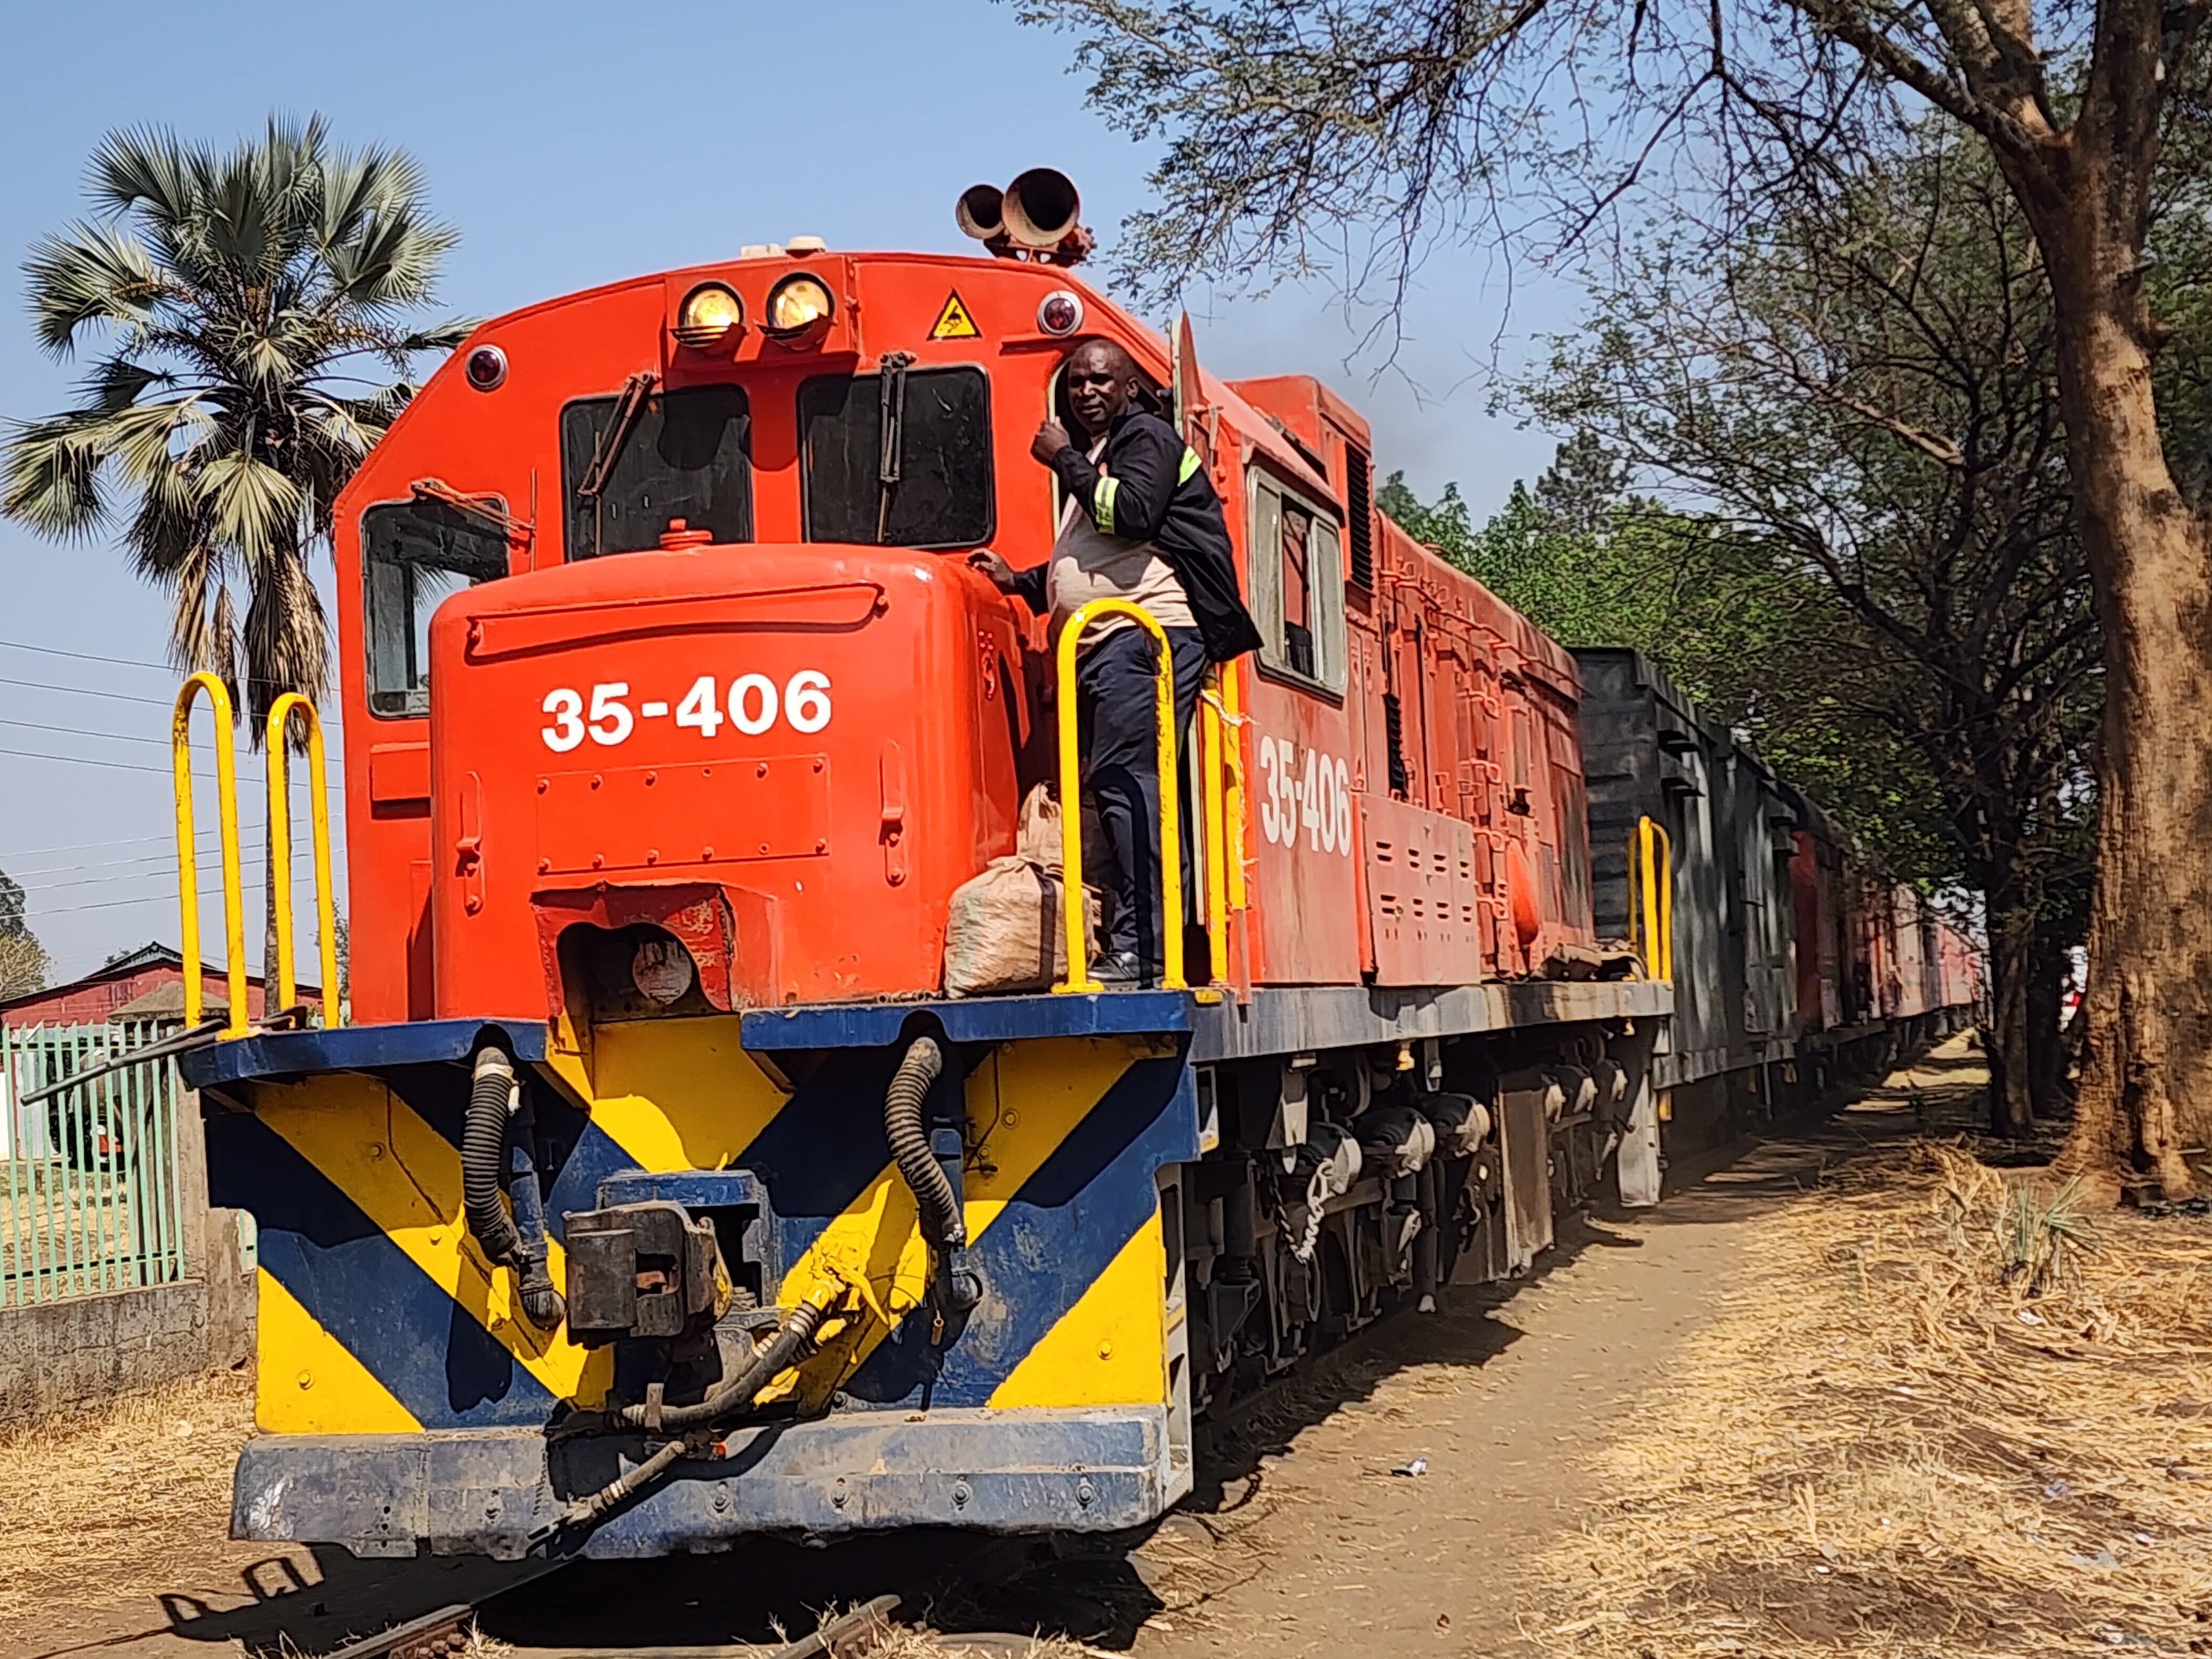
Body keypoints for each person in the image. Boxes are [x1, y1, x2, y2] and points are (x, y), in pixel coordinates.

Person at [969, 338, 1261, 987]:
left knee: (1131, 786)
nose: (1086, 392)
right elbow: (1097, 555)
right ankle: (1137, 941)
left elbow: (1130, 516)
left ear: (1130, 389)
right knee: (1118, 787)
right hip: (1110, 644)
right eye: (1076, 383)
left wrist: (1062, 458)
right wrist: (1022, 581)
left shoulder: (1146, 438)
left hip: (1146, 638)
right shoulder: (1107, 452)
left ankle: (1146, 950)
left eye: (1101, 381)